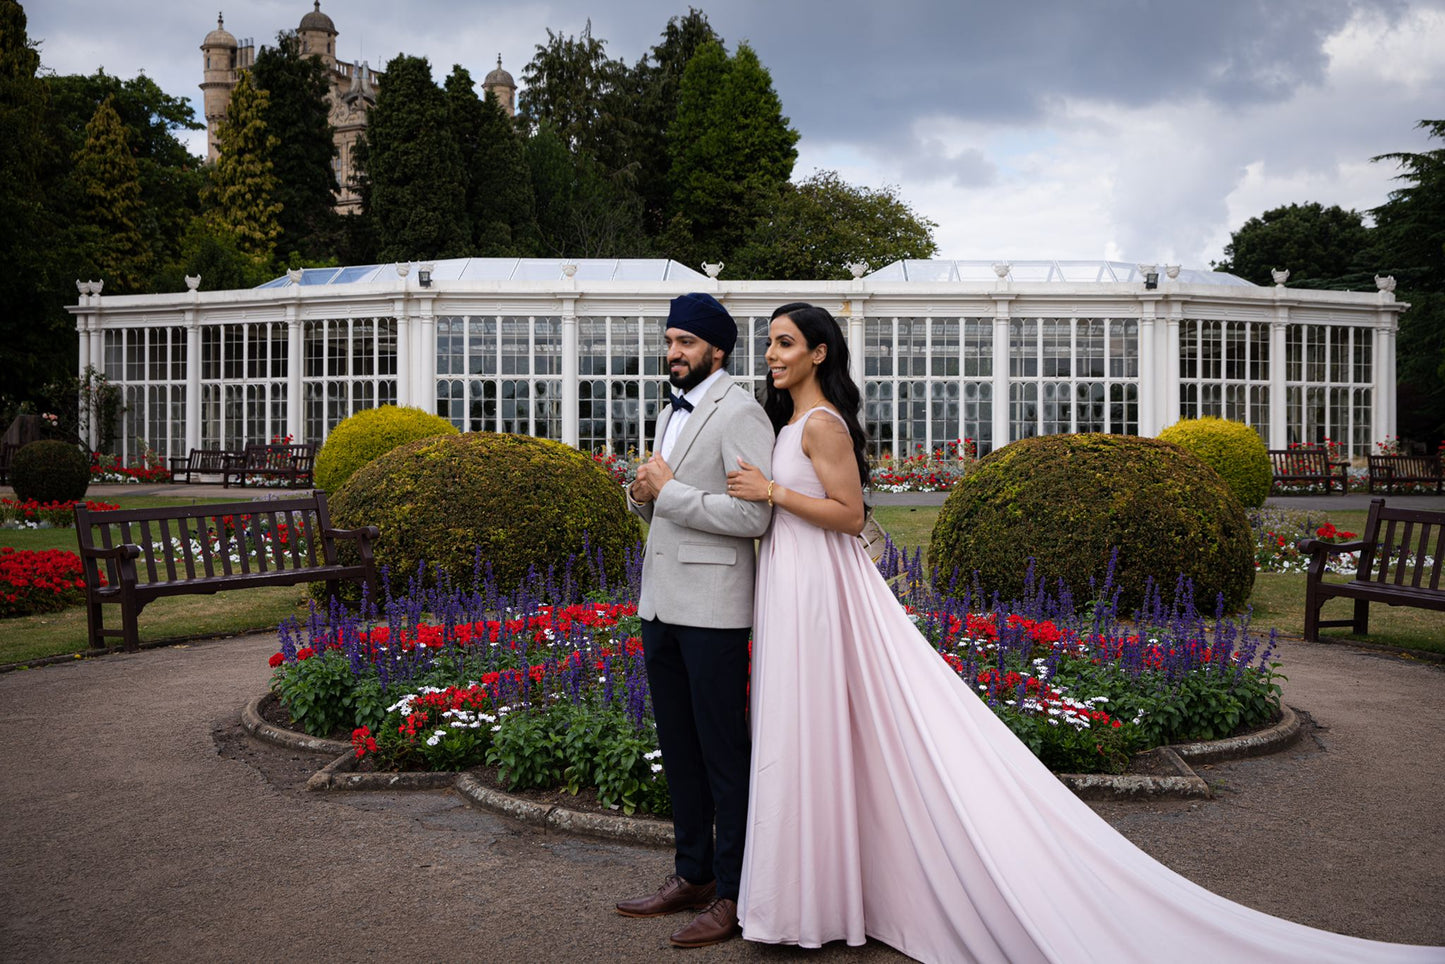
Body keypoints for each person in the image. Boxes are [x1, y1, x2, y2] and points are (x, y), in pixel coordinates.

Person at [725, 302, 1444, 963]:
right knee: (800, 730)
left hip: (823, 592)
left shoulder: (821, 426)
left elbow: (850, 517)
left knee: (815, 725)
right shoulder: (788, 424)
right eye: (768, 342)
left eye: (784, 342)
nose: (771, 353)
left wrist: (774, 492)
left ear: (819, 352)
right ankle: (814, 895)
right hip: (792, 585)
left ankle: (814, 900)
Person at [614, 292, 775, 948]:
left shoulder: (740, 412)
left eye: (685, 343)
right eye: (669, 340)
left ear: (716, 349)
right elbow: (664, 503)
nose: (672, 352)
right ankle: (693, 874)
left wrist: (669, 493)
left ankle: (736, 895)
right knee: (678, 747)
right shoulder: (667, 411)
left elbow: (753, 516)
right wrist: (640, 495)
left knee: (721, 754)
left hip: (713, 612)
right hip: (660, 604)